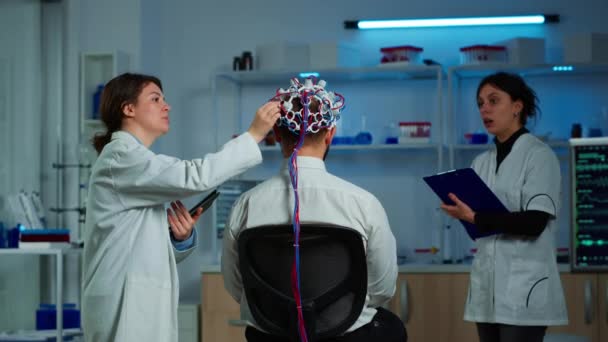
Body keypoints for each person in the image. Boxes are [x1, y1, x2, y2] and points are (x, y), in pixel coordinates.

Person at [81, 72, 280, 341]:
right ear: (128, 109)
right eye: (155, 99)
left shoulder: (136, 161)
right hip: (123, 301)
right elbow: (194, 176)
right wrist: (254, 134)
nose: (167, 105)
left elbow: (138, 245)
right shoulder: (121, 157)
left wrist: (178, 238)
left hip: (138, 298)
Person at [222, 77, 407, 342]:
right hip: (345, 336)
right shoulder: (363, 203)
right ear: (330, 133)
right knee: (391, 326)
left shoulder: (246, 205)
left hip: (271, 337)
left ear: (276, 135)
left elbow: (237, 287)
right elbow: (382, 290)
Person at [440, 72, 568, 342]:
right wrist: (465, 215)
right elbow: (481, 228)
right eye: (480, 103)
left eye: (494, 100)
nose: (484, 108)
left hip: (524, 289)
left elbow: (534, 224)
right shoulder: (480, 163)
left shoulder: (539, 155)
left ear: (517, 107)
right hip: (487, 289)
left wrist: (476, 216)